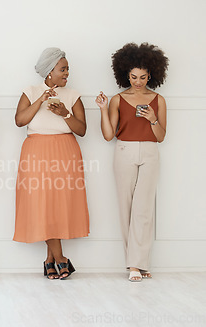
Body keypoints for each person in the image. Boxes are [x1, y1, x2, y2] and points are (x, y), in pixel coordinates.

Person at [13, 48, 89, 280]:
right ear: (49, 71)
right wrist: (40, 100)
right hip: (36, 152)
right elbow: (19, 121)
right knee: (40, 205)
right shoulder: (31, 91)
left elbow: (82, 130)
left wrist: (65, 114)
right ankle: (61, 259)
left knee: (57, 206)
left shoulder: (73, 94)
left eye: (67, 68)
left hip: (65, 152)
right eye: (63, 69)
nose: (67, 72)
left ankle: (49, 260)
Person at [96, 42, 168, 282]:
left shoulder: (158, 100)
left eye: (143, 77)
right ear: (125, 73)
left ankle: (138, 262)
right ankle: (135, 264)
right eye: (134, 76)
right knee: (126, 207)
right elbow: (108, 135)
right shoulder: (118, 99)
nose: (138, 82)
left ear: (152, 75)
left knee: (144, 210)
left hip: (150, 151)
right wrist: (103, 109)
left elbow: (161, 136)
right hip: (124, 149)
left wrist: (152, 119)